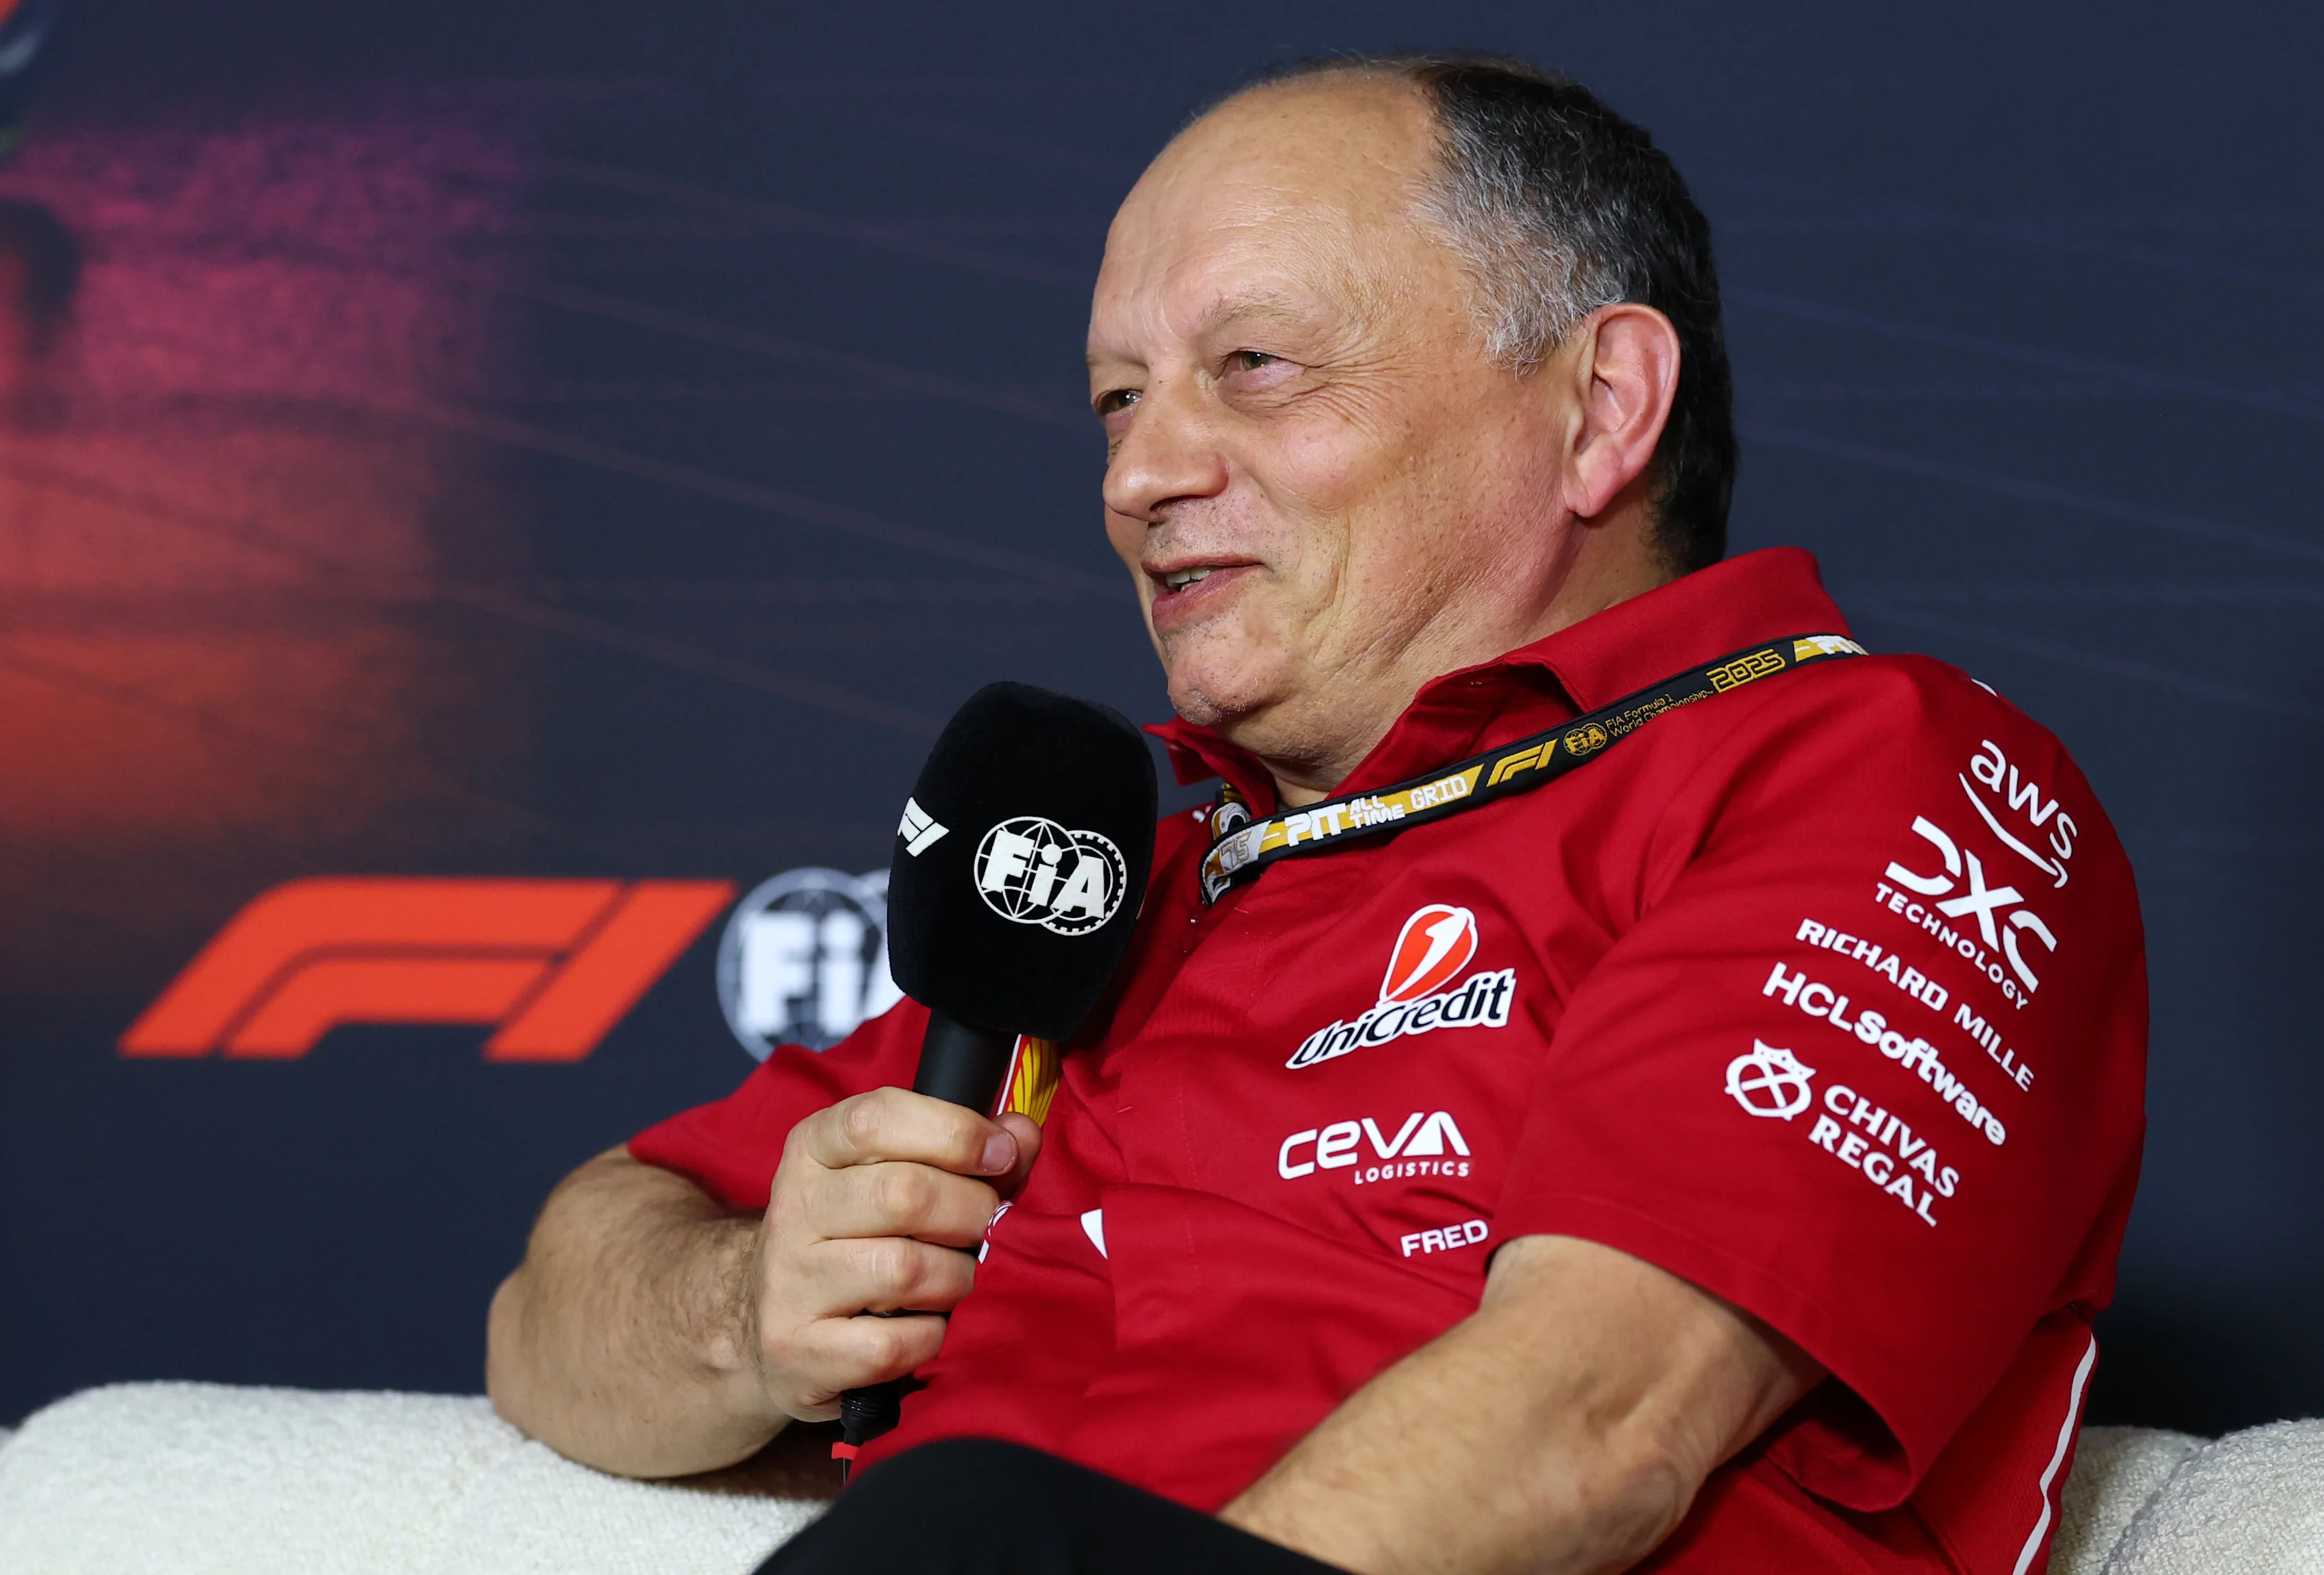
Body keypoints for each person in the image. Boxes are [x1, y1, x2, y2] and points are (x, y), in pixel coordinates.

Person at [486, 53, 2144, 1575]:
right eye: (1117, 400)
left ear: (1601, 410)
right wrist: (749, 1314)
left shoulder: (1857, 763)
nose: (1137, 476)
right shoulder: (1123, 886)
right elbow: (547, 1310)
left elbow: (1596, 1424)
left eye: (1253, 368)